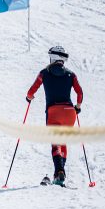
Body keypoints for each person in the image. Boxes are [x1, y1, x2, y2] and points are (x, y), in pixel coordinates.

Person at [26, 46, 83, 186]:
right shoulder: (71, 74)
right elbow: (80, 93)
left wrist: (29, 98)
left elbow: (30, 92)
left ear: (52, 57)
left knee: (55, 142)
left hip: (53, 112)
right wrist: (77, 107)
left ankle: (59, 171)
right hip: (70, 113)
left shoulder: (44, 73)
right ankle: (59, 174)